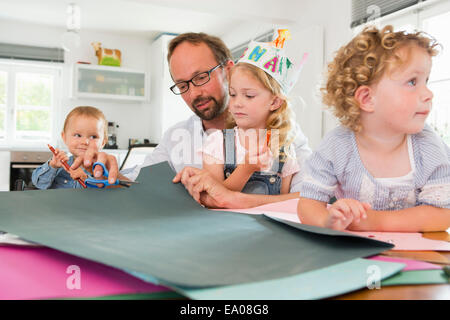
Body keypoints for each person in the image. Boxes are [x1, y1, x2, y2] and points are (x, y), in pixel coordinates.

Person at [74, 32, 312, 207]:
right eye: (182, 85)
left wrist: (233, 198)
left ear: (228, 71)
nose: (194, 93)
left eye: (200, 77)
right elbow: (138, 182)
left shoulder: (284, 134)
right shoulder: (176, 137)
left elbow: (310, 199)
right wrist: (107, 170)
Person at [297, 25, 450, 232]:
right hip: (354, 254)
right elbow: (308, 204)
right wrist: (328, 222)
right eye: (412, 82)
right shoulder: (337, 145)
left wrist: (372, 221)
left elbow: (442, 214)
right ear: (367, 99)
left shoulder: (429, 146)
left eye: (426, 81)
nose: (428, 93)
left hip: (417, 256)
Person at [200, 36, 306, 197]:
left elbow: (282, 202)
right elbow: (212, 198)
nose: (237, 103)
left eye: (249, 96)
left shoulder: (284, 149)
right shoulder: (217, 143)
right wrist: (246, 168)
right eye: (233, 94)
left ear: (275, 102)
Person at [32, 106, 108, 189]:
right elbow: (39, 184)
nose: (84, 142)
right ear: (64, 138)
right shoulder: (59, 164)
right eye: (77, 135)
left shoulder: (105, 170)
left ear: (103, 142)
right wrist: (52, 166)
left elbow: (107, 196)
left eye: (93, 137)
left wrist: (85, 179)